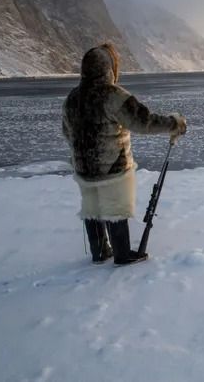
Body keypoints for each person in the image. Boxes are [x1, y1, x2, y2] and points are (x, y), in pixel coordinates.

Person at [61, 43, 186, 265]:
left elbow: (66, 131)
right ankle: (122, 254)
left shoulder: (72, 98)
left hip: (84, 168)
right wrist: (173, 123)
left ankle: (99, 252)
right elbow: (143, 121)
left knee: (94, 208)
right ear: (109, 68)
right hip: (112, 166)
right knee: (115, 207)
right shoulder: (113, 95)